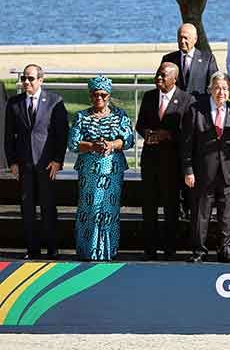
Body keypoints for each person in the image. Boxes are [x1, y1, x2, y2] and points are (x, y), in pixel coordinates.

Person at [66, 76, 134, 261]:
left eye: (103, 95)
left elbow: (129, 140)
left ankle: (107, 250)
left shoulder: (120, 115)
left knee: (109, 209)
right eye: (95, 95)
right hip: (90, 171)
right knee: (90, 208)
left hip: (112, 169)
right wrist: (92, 146)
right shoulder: (82, 116)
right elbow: (73, 143)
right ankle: (88, 250)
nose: (99, 99)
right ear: (90, 95)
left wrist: (112, 144)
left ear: (109, 96)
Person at [5, 64, 68, 260]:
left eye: (30, 78)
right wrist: (12, 161)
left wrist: (58, 160)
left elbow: (62, 134)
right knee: (27, 208)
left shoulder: (54, 101)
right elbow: (8, 135)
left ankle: (52, 249)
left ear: (41, 80)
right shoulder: (14, 103)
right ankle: (32, 250)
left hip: (46, 164)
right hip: (24, 165)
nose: (26, 82)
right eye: (24, 78)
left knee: (48, 207)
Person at [182, 72, 230, 263]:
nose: (221, 92)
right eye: (217, 88)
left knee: (227, 215)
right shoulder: (196, 110)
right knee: (201, 214)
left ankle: (226, 249)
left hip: (228, 173)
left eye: (225, 88)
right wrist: (188, 170)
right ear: (210, 90)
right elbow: (186, 143)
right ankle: (199, 250)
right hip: (202, 173)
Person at [136, 62, 193, 259]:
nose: (158, 79)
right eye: (157, 75)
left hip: (172, 162)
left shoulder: (186, 100)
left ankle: (170, 249)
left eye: (163, 76)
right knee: (149, 206)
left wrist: (167, 135)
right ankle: (150, 249)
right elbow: (140, 124)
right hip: (150, 160)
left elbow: (188, 132)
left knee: (170, 207)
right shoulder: (149, 96)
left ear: (174, 78)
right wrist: (148, 133)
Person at [163, 23, 219, 95]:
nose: (182, 41)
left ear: (195, 39)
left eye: (185, 38)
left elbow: (214, 84)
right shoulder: (168, 59)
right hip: (176, 104)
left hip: (198, 104)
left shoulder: (208, 60)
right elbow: (163, 85)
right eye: (180, 37)